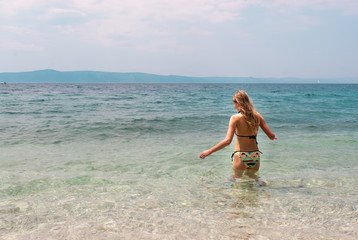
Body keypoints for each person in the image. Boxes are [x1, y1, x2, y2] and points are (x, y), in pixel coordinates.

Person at [199, 90, 276, 179]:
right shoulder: (257, 116)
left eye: (234, 103)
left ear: (237, 103)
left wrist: (209, 151)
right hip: (255, 155)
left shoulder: (235, 118)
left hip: (241, 155)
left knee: (235, 184)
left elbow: (228, 141)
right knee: (252, 183)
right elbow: (271, 136)